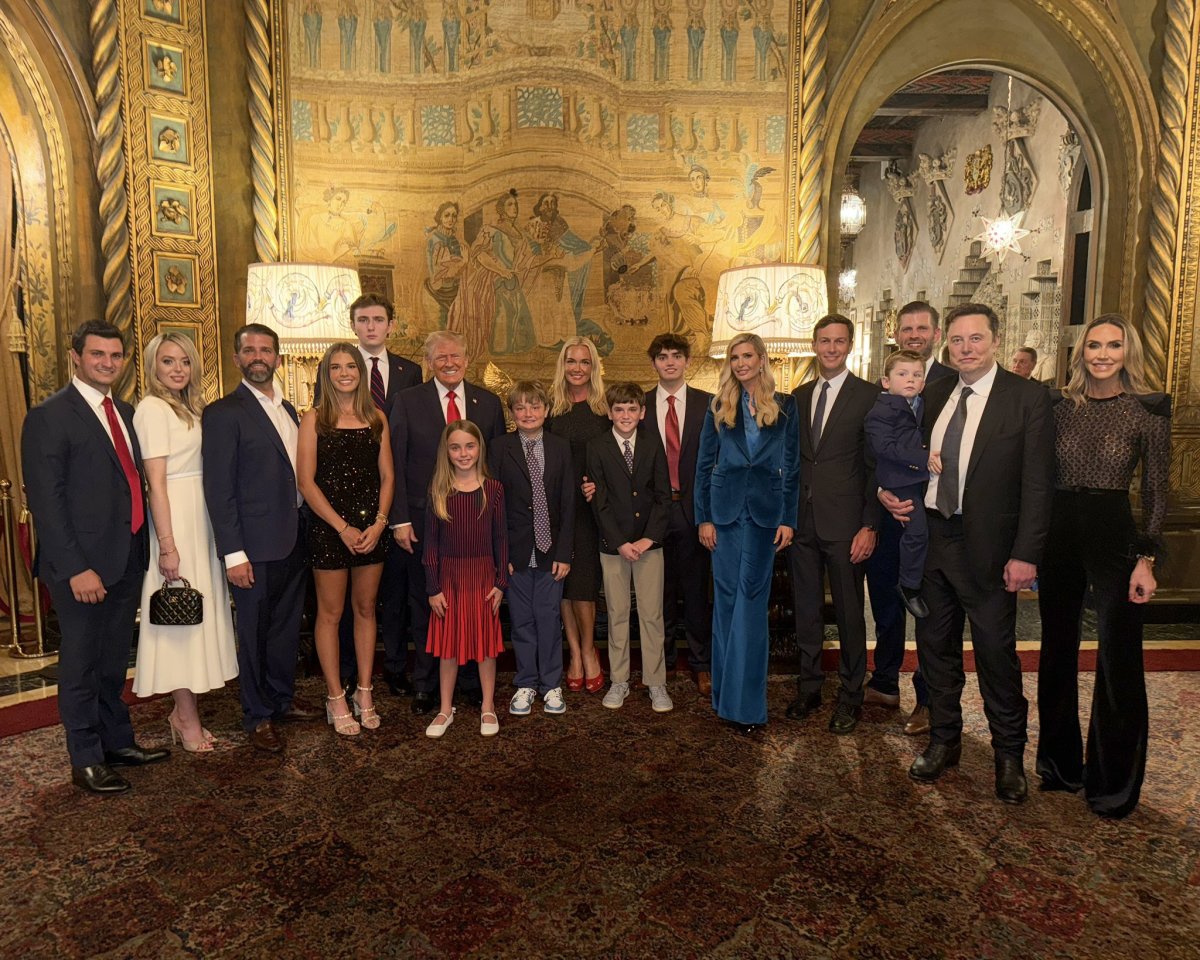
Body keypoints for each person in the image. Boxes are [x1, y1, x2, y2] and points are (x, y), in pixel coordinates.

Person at [882, 303, 1054, 805]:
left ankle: (1008, 756)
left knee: (997, 657)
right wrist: (884, 493)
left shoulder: (1026, 398)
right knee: (935, 652)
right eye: (957, 341)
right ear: (945, 344)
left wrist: (1026, 554)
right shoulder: (932, 392)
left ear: (996, 341)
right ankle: (944, 741)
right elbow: (896, 453)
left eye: (975, 339)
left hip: (992, 552)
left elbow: (1039, 485)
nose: (966, 349)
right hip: (932, 542)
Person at [22, 320, 168, 794]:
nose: (106, 363)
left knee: (111, 661)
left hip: (126, 557)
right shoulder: (50, 416)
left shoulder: (124, 412)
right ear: (76, 356)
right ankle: (84, 758)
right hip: (80, 567)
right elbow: (48, 502)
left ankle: (117, 743)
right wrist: (76, 568)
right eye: (97, 355)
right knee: (81, 665)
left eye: (114, 355)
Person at [1036, 314, 1171, 818]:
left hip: (1114, 531)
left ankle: (1113, 783)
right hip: (1059, 529)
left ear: (1126, 351)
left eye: (1114, 345)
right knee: (1056, 647)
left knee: (1118, 654)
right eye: (1094, 345)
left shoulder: (1148, 409)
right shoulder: (1058, 406)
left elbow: (1157, 489)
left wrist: (1147, 558)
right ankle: (1059, 765)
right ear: (1081, 352)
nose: (1103, 354)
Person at [203, 323, 321, 754]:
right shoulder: (222, 413)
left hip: (294, 537)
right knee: (252, 632)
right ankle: (256, 714)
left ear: (277, 357)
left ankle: (280, 699)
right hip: (252, 546)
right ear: (236, 359)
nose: (258, 356)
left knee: (286, 628)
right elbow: (219, 489)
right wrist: (233, 552)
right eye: (249, 349)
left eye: (266, 350)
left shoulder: (290, 410)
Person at [389, 331, 506, 715]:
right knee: (430, 603)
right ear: (428, 361)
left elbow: (496, 466)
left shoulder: (487, 403)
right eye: (441, 357)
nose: (449, 362)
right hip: (426, 522)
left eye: (456, 355)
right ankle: (425, 684)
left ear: (467, 359)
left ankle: (471, 682)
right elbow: (397, 464)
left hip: (477, 524)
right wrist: (400, 518)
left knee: (475, 604)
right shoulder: (407, 402)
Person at [132, 332, 237, 753]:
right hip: (176, 521)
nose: (177, 369)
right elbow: (155, 485)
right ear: (153, 366)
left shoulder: (190, 408)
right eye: (168, 361)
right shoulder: (152, 409)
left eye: (184, 362)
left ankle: (184, 712)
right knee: (179, 623)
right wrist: (168, 545)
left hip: (201, 520)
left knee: (195, 618)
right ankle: (185, 718)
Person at [695, 333, 799, 733]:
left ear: (761, 359)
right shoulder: (718, 405)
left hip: (765, 517)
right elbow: (704, 465)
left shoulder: (786, 406)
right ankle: (724, 697)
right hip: (722, 516)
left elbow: (791, 468)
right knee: (725, 603)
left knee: (751, 603)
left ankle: (746, 704)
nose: (741, 363)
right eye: (734, 357)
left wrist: (788, 518)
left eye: (747, 356)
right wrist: (703, 517)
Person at [864, 300, 955, 734]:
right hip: (889, 510)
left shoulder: (951, 384)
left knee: (927, 607)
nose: (914, 334)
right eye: (906, 328)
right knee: (885, 599)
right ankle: (884, 680)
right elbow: (871, 451)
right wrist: (881, 492)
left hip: (933, 514)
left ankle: (926, 699)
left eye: (922, 327)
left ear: (936, 333)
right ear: (897, 334)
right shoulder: (888, 383)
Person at [324, 294, 421, 699]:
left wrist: (391, 515)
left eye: (378, 320)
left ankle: (395, 666)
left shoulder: (410, 371)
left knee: (394, 595)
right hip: (343, 508)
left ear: (390, 325)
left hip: (389, 502)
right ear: (353, 325)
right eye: (362, 320)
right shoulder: (338, 372)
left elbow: (407, 443)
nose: (370, 327)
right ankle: (347, 671)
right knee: (345, 602)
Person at [786, 315, 880, 735]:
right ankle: (809, 688)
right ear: (814, 343)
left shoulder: (870, 396)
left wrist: (869, 525)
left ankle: (851, 696)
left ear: (849, 345)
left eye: (839, 341)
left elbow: (876, 467)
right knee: (805, 610)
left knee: (848, 615)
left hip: (847, 526)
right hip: (802, 524)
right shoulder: (798, 396)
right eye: (824, 341)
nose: (831, 348)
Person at [297, 342, 395, 737]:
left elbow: (387, 476)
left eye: (350, 365)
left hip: (371, 530)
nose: (344, 373)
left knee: (367, 608)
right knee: (330, 614)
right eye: (335, 367)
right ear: (326, 373)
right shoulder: (314, 418)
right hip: (329, 528)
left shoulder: (377, 419)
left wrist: (380, 523)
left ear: (360, 371)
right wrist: (342, 527)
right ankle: (336, 696)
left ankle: (365, 692)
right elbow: (306, 481)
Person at [489, 381, 575, 717]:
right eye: (521, 407)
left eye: (535, 406)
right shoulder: (499, 448)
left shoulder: (560, 447)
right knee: (523, 619)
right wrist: (502, 555)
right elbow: (494, 506)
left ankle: (551, 684)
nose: (528, 413)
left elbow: (568, 504)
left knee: (549, 618)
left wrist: (565, 553)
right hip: (517, 551)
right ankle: (526, 682)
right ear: (512, 413)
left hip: (552, 550)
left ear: (546, 410)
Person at [587, 382, 672, 712]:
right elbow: (600, 502)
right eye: (619, 409)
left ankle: (656, 682)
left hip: (649, 545)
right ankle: (619, 680)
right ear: (610, 413)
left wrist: (647, 539)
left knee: (652, 615)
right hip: (614, 547)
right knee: (617, 614)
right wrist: (620, 542)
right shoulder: (597, 447)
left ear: (642, 412)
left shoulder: (653, 444)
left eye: (631, 409)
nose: (625, 415)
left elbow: (664, 497)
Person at [422, 421, 509, 738]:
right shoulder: (438, 490)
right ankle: (445, 709)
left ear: (479, 448)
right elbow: (430, 544)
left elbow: (501, 539)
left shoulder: (494, 490)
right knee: (449, 648)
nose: (463, 453)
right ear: (447, 451)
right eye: (455, 447)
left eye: (469, 446)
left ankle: (488, 706)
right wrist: (433, 587)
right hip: (449, 579)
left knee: (485, 646)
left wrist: (501, 583)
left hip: (484, 577)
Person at [641, 334, 714, 693]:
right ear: (653, 363)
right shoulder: (637, 405)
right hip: (654, 514)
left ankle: (701, 664)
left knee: (697, 591)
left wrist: (708, 515)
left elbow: (717, 462)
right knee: (659, 593)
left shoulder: (708, 404)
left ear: (687, 361)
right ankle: (664, 663)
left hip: (695, 512)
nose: (669, 362)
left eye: (676, 356)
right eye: (662, 357)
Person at [546, 336, 610, 693]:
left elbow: (617, 460)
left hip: (590, 511)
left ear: (593, 367)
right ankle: (574, 652)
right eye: (571, 361)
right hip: (555, 509)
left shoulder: (604, 409)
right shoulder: (551, 410)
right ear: (563, 365)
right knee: (563, 585)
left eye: (584, 362)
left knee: (583, 585)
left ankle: (589, 651)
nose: (577, 368)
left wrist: (600, 489)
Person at [864, 350, 932, 622]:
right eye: (902, 374)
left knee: (920, 534)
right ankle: (909, 586)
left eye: (916, 375)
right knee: (917, 532)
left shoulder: (919, 403)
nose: (910, 380)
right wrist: (924, 457)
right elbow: (883, 448)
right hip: (898, 482)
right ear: (885, 381)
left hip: (919, 481)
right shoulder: (882, 410)